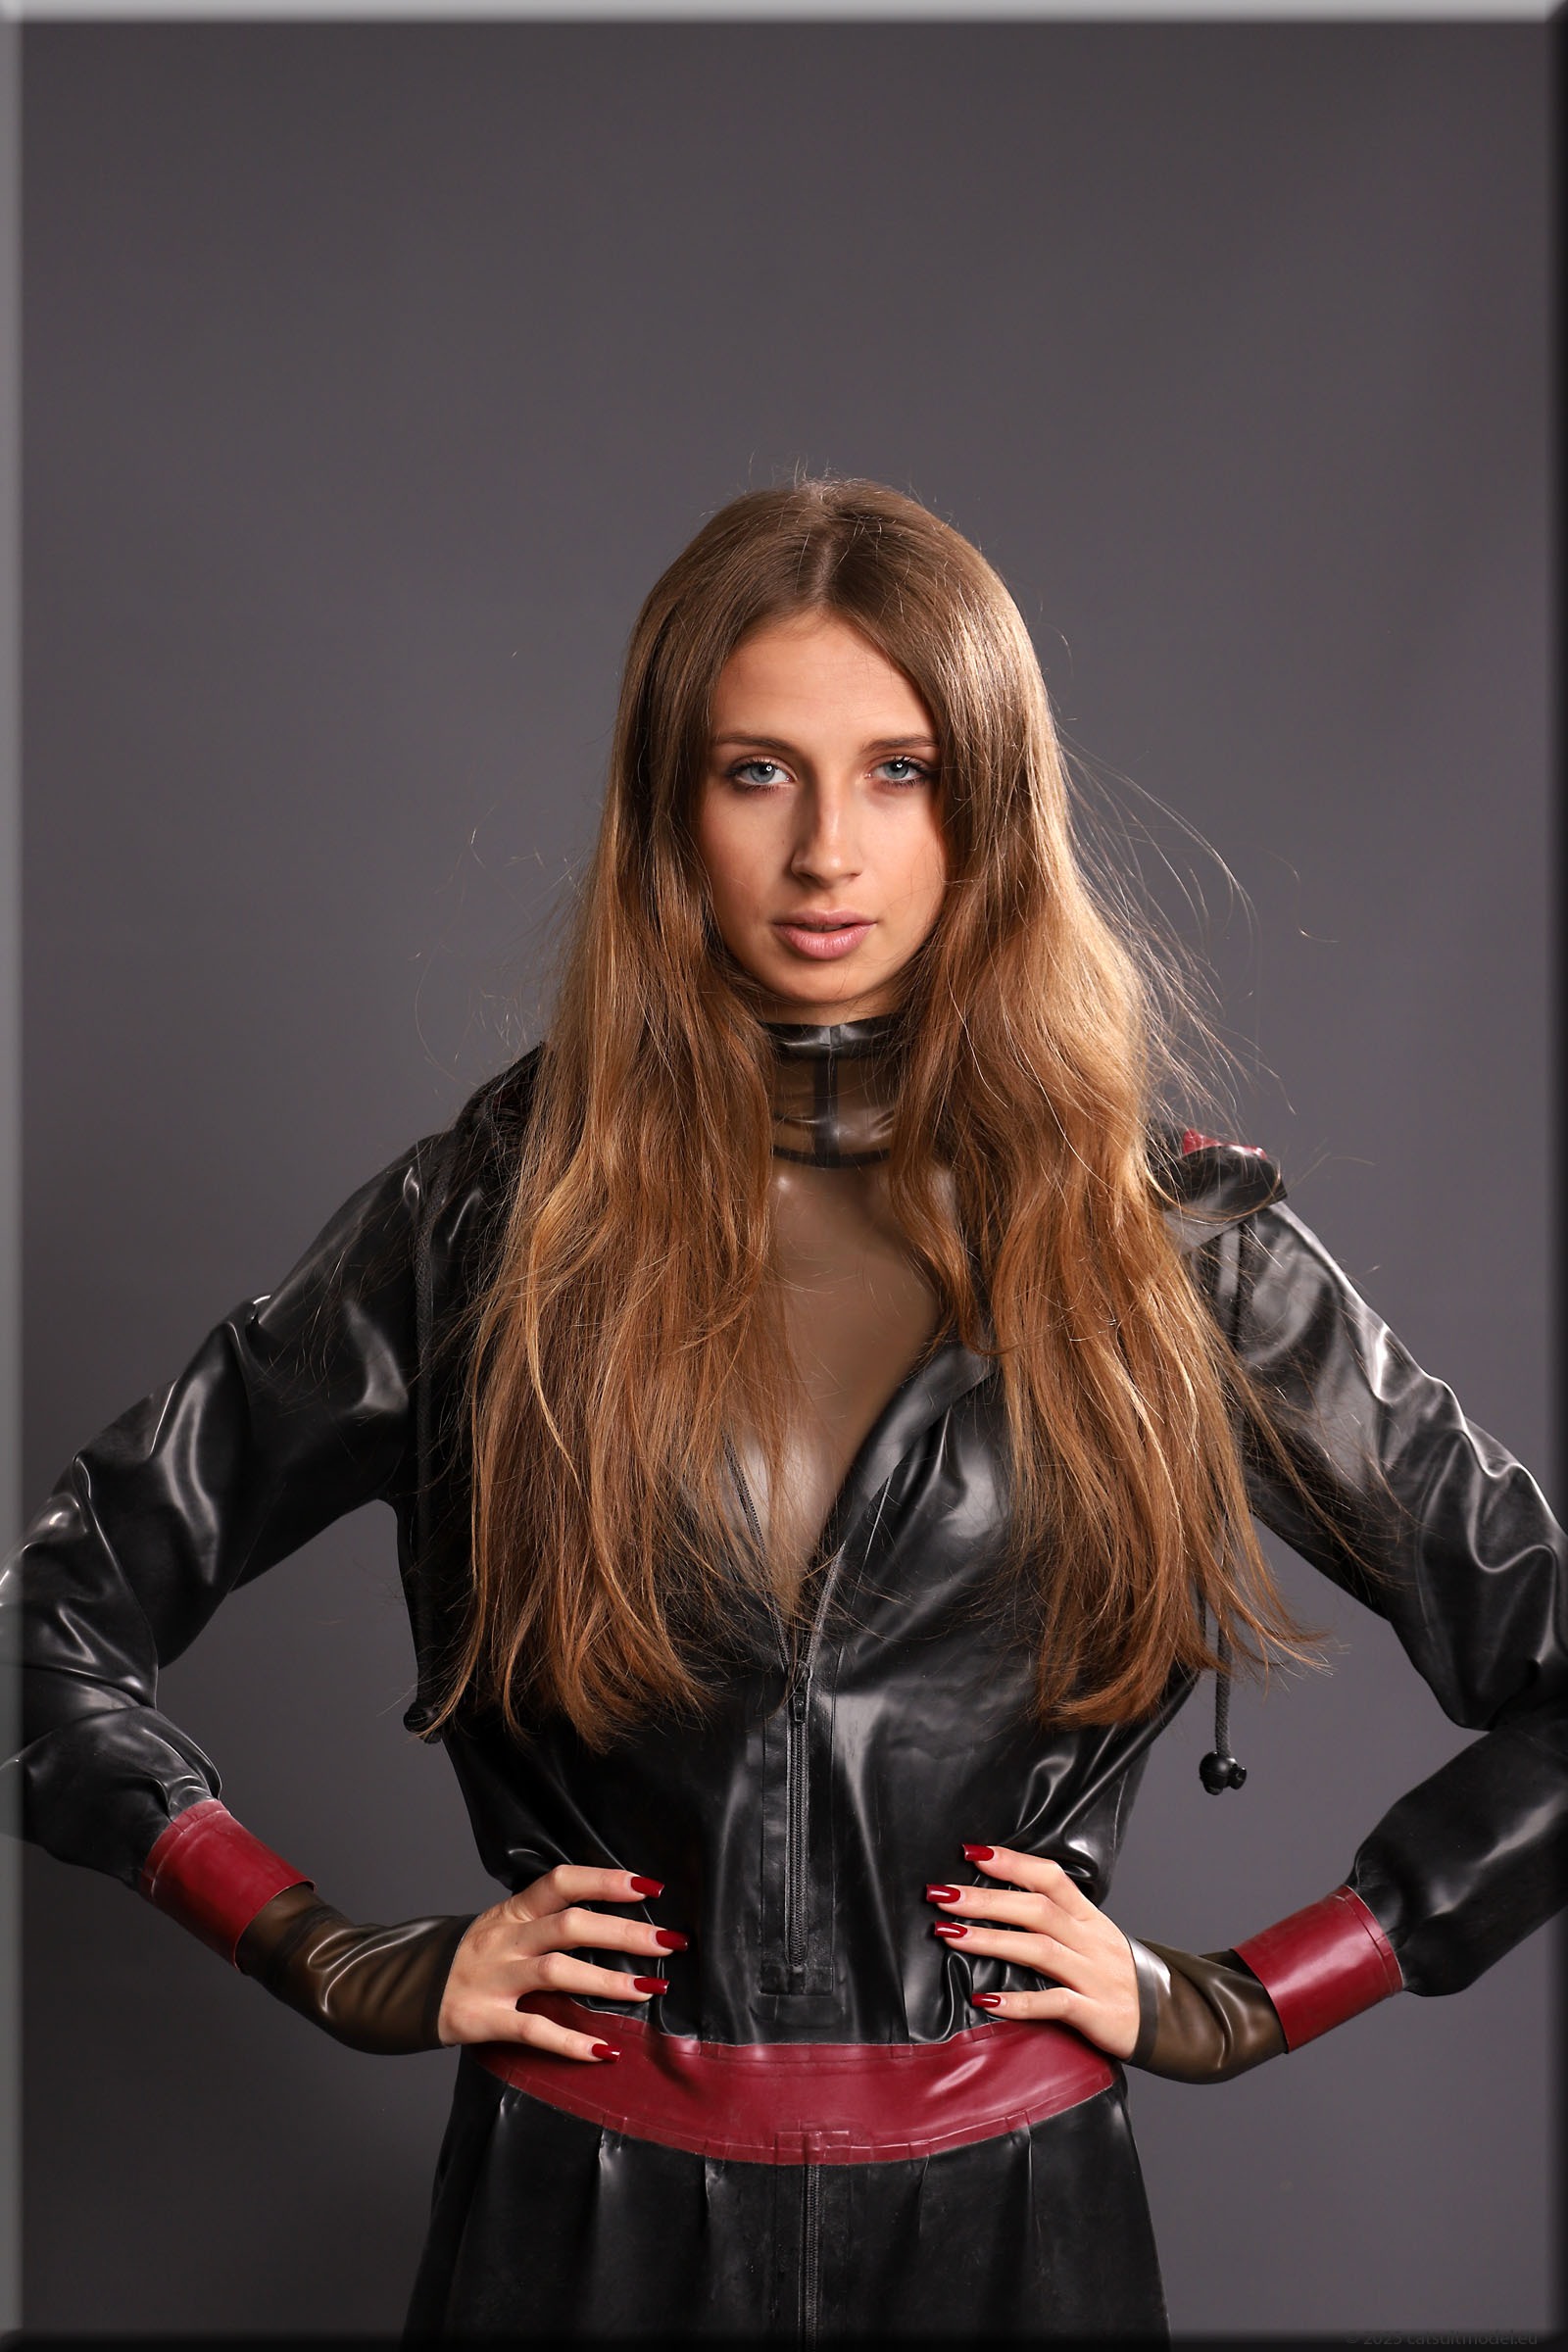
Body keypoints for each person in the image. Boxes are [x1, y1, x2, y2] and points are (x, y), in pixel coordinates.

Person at [4, 479, 1563, 2340]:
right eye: (759, 772)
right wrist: (322, 1953)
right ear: (670, 807)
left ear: (994, 805)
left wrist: (1244, 1995)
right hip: (574, 2233)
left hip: (1016, 2236)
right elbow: (44, 1631)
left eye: (903, 771)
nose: (830, 849)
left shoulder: (1171, 1249)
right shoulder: (486, 1224)